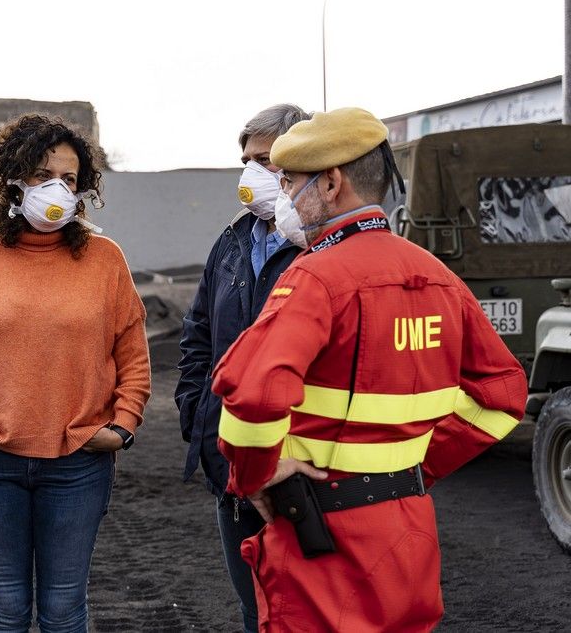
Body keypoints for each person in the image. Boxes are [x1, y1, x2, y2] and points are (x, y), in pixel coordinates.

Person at [212, 107, 528, 631]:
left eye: (290, 184)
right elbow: (504, 392)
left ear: (332, 183)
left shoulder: (314, 277)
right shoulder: (436, 275)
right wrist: (415, 467)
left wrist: (257, 475)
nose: (285, 200)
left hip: (323, 539)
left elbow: (254, 394)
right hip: (408, 531)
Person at [0, 113, 151, 633]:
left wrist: (123, 424)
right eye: (42, 174)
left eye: (69, 179)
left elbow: (133, 355)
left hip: (77, 465)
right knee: (3, 608)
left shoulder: (105, 259)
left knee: (64, 608)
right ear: (13, 179)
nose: (57, 189)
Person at [175, 103, 309, 632]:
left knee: (306, 609)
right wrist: (198, 415)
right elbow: (198, 333)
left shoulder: (322, 247)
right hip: (230, 461)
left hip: (298, 467)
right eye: (247, 159)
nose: (252, 173)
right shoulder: (233, 240)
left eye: (267, 160)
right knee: (255, 611)